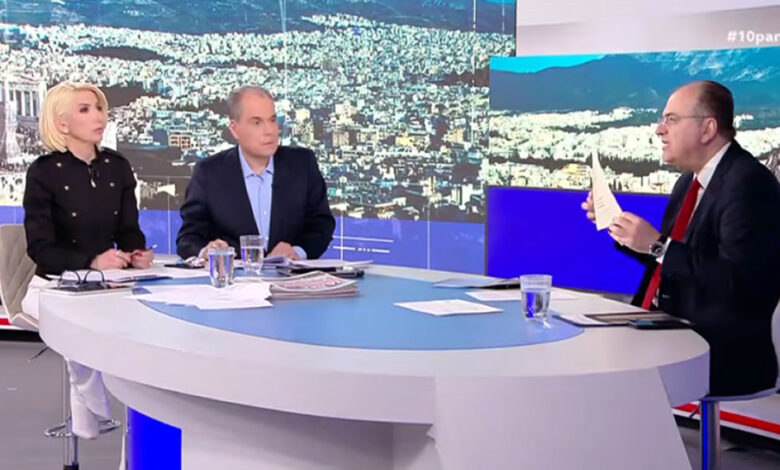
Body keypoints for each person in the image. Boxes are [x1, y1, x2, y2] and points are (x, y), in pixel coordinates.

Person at [582, 81, 780, 397]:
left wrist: (657, 245)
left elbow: (739, 283)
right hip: (670, 330)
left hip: (720, 352)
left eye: (671, 120)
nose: (659, 130)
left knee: (600, 379)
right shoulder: (689, 181)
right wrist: (625, 232)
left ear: (707, 129)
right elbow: (677, 260)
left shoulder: (747, 183)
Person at [20, 81, 153, 439]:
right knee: (82, 324)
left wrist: (136, 254)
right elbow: (41, 248)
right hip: (52, 283)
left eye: (99, 108)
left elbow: (128, 230)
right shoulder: (44, 172)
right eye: (85, 109)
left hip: (107, 282)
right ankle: (92, 409)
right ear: (62, 123)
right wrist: (91, 261)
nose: (99, 116)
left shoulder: (117, 167)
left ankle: (127, 411)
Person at [176, 86, 335, 260]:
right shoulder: (209, 173)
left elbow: (322, 224)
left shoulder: (303, 164)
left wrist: (297, 251)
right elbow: (187, 239)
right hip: (235, 276)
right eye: (257, 122)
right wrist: (207, 252)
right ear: (235, 129)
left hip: (290, 276)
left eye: (272, 120)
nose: (269, 131)